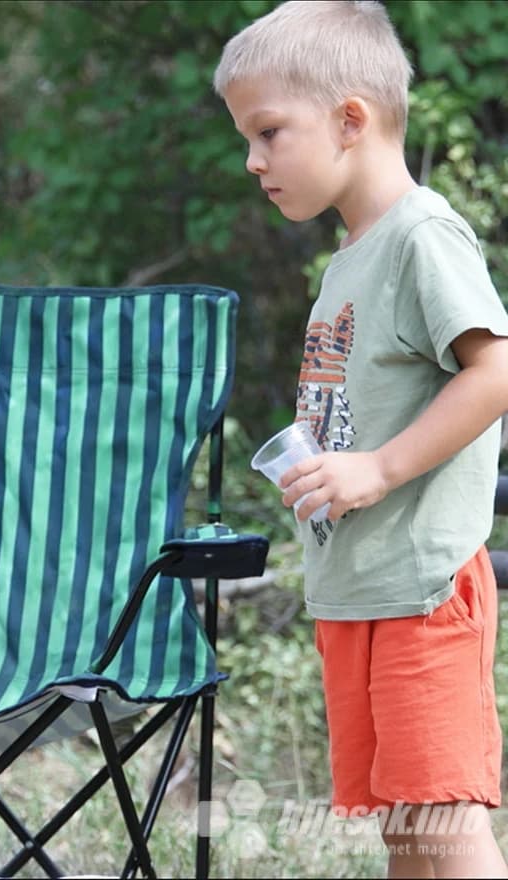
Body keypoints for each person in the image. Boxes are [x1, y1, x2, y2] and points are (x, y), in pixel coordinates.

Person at [215, 2, 508, 876]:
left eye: (269, 132)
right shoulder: (351, 256)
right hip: (357, 593)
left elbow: (496, 368)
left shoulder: (423, 234)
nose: (252, 159)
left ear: (351, 119)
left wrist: (378, 468)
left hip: (422, 587)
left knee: (444, 820)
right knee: (404, 828)